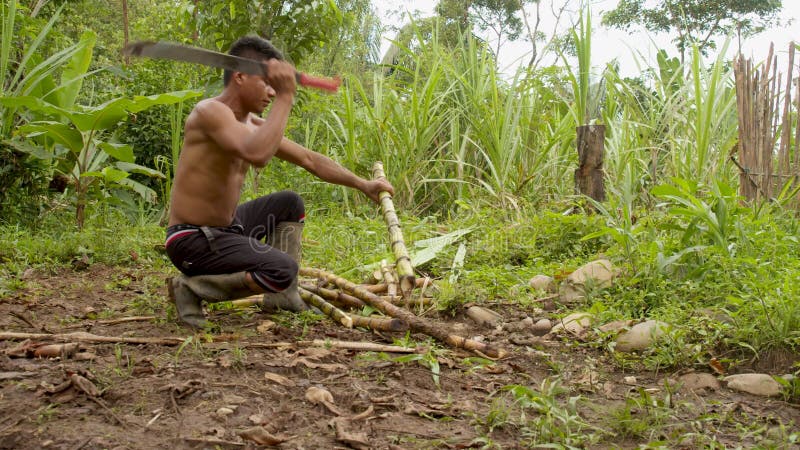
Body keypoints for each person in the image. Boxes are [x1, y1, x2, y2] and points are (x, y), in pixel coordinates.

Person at [164, 36, 394, 329]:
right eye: (267, 83)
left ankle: (282, 296)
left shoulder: (251, 123)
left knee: (289, 203)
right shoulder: (209, 112)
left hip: (225, 230)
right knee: (282, 268)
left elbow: (309, 160)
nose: (272, 92)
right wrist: (287, 96)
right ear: (240, 76)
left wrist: (363, 184)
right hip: (192, 241)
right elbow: (256, 154)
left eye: (276, 86)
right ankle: (191, 289)